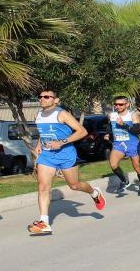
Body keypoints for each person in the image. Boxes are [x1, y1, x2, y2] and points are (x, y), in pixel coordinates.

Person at [27, 90, 105, 234]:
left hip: (65, 154)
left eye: (46, 97)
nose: (42, 99)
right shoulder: (38, 115)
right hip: (47, 155)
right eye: (40, 97)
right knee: (43, 186)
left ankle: (94, 193)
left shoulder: (61, 114)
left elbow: (82, 131)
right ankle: (44, 222)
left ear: (56, 100)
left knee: (74, 185)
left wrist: (62, 142)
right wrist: (39, 144)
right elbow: (43, 133)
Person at [105, 96, 140, 195]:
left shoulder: (133, 115)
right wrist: (108, 134)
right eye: (116, 104)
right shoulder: (112, 115)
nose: (118, 106)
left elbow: (137, 131)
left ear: (127, 104)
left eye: (121, 104)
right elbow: (110, 128)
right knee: (113, 164)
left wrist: (123, 124)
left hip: (132, 144)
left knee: (137, 167)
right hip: (119, 144)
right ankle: (124, 181)